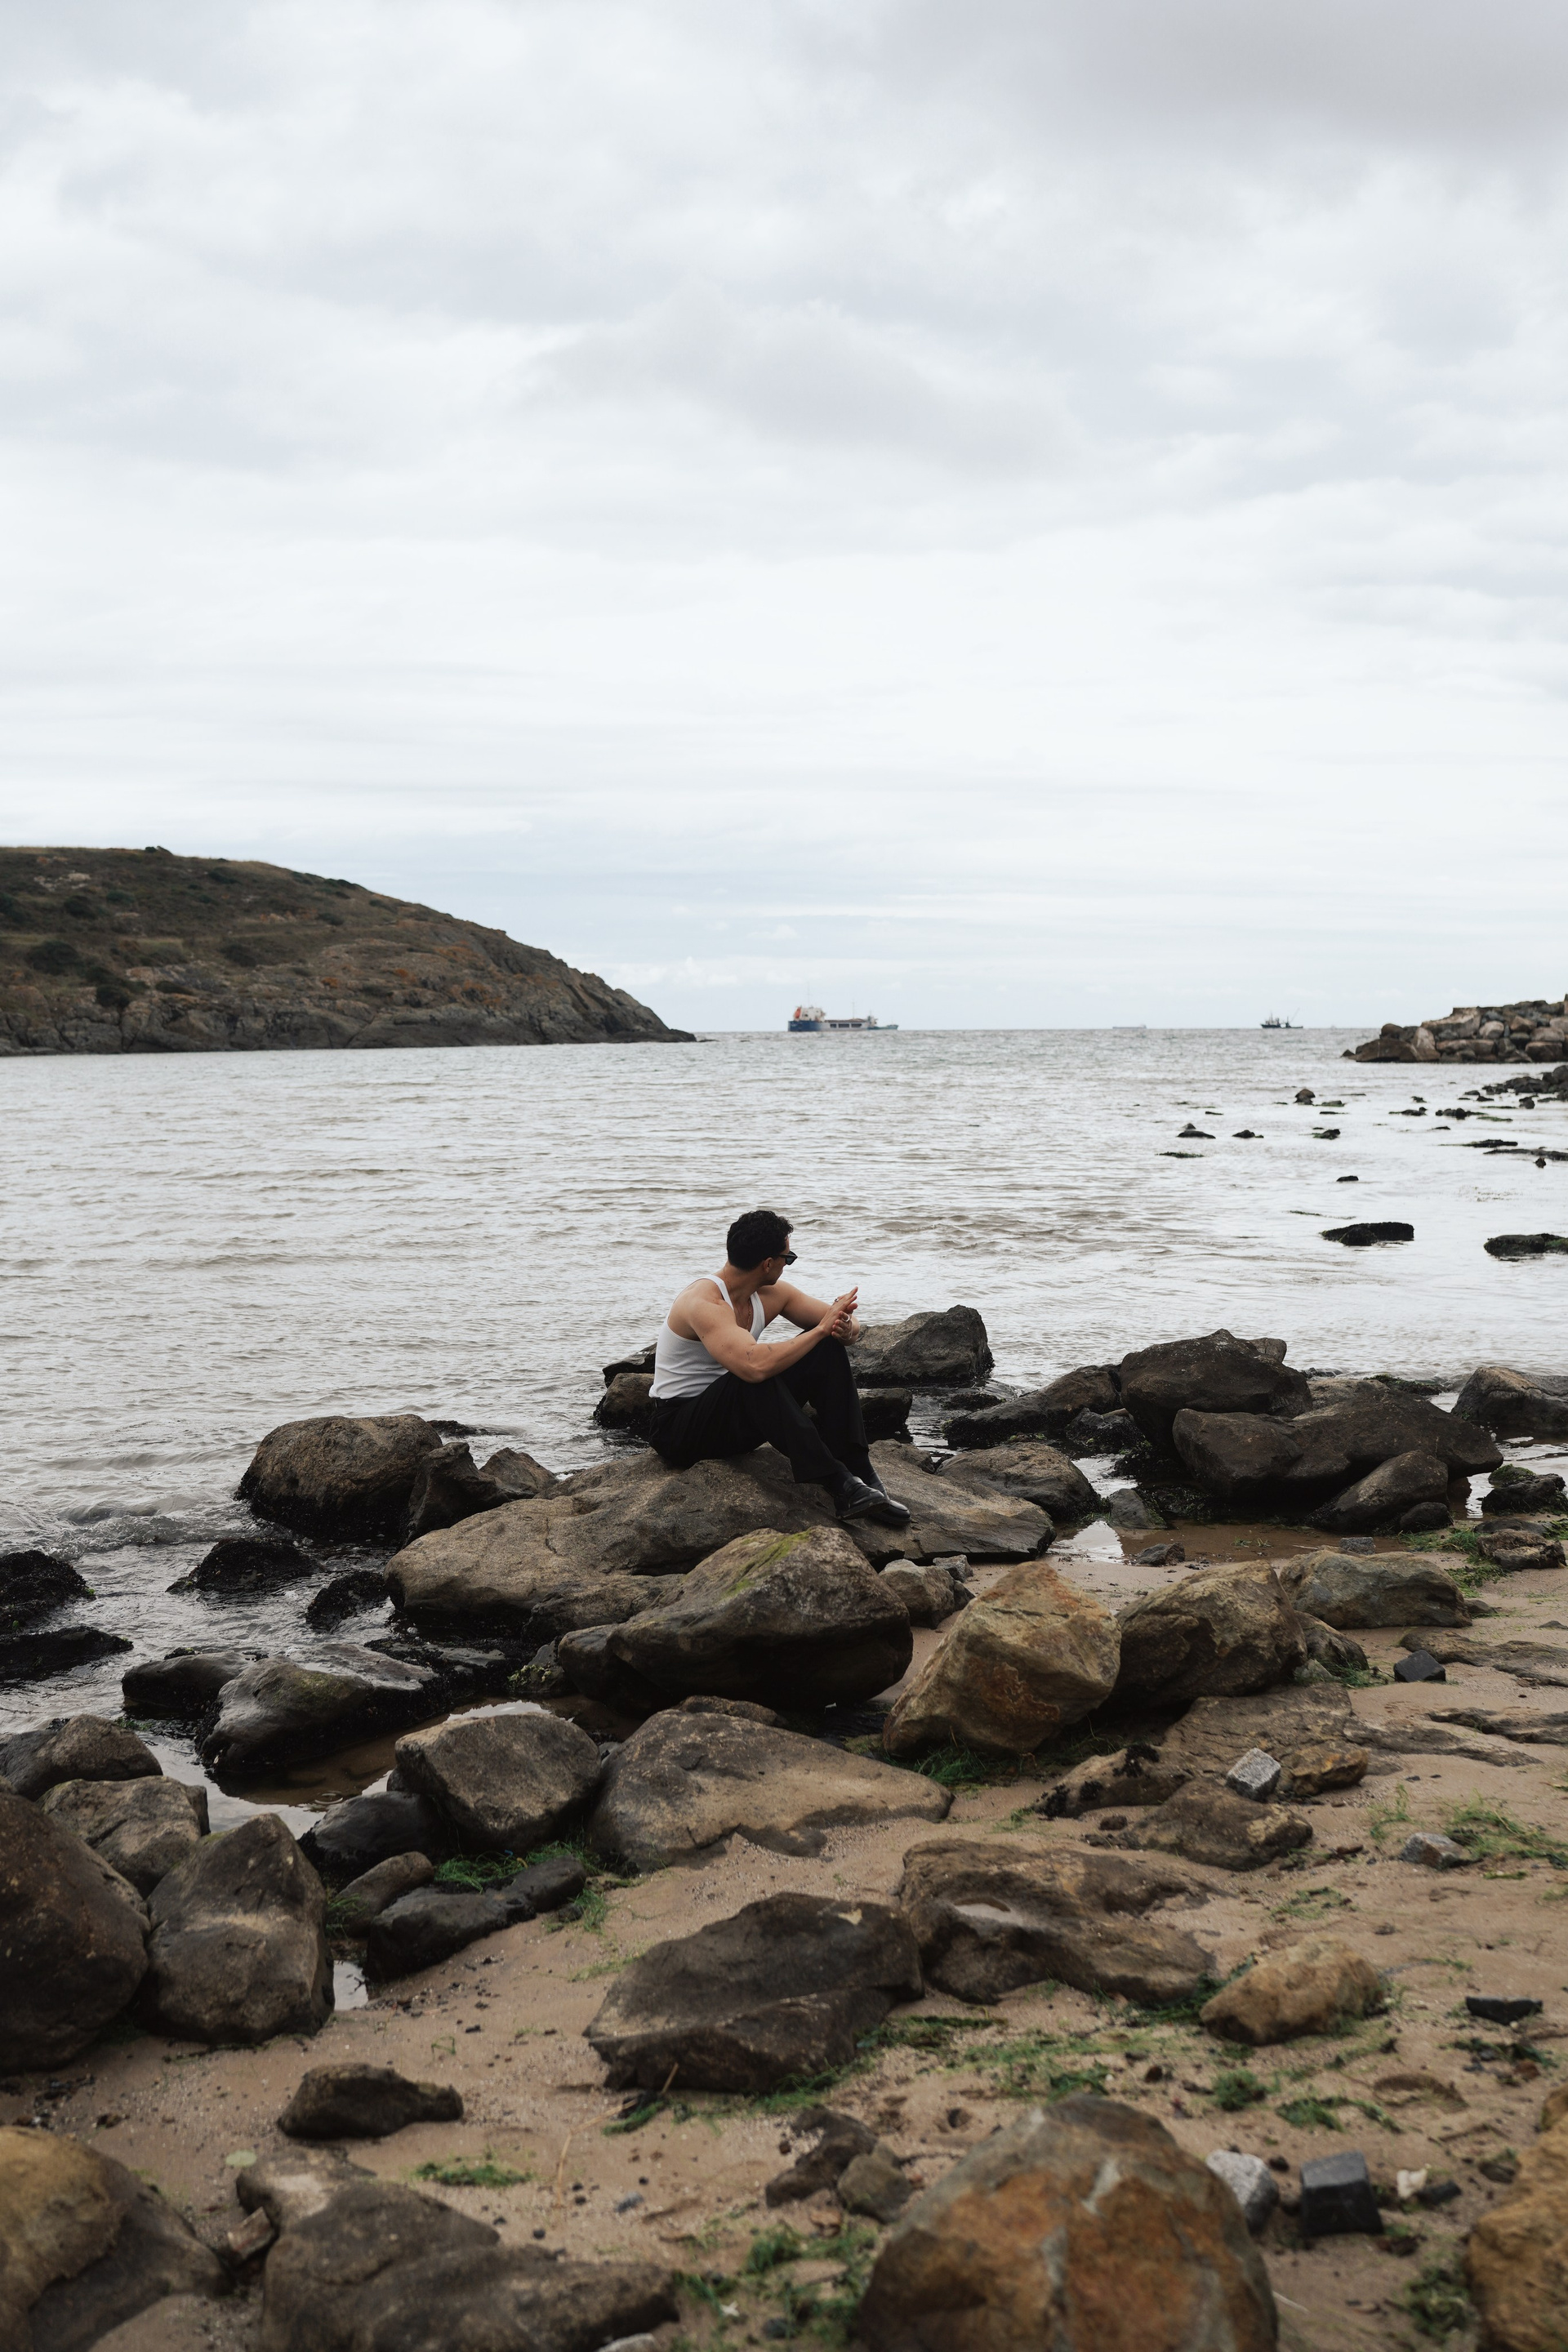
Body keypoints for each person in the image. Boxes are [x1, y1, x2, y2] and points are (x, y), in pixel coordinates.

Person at [647, 1207, 911, 1527]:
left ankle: (861, 1472)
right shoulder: (705, 1303)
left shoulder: (771, 1294)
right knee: (755, 1372)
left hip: (733, 1422)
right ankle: (840, 1484)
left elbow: (841, 1321)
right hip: (680, 1431)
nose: (788, 1264)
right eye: (789, 1258)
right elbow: (753, 1367)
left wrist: (844, 1330)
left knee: (826, 1346)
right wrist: (820, 1329)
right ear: (768, 1263)